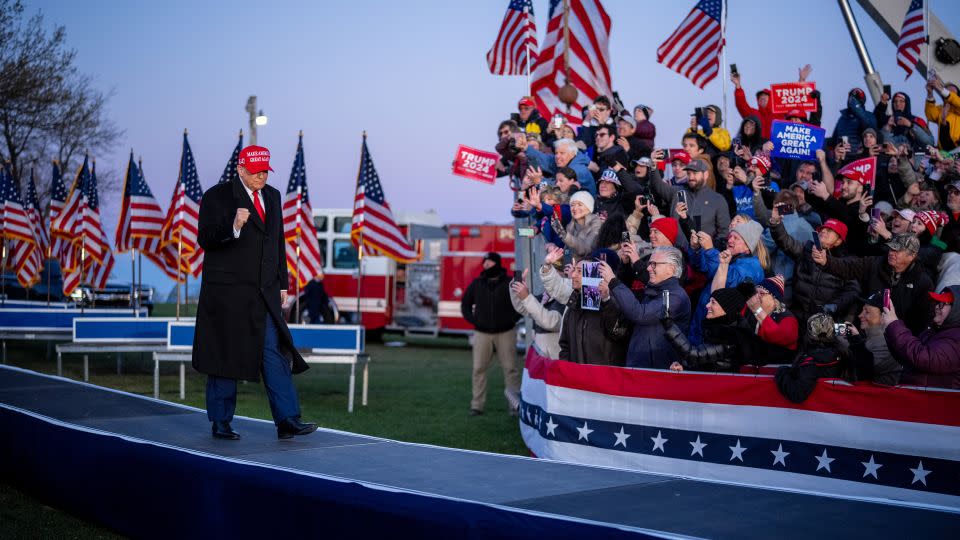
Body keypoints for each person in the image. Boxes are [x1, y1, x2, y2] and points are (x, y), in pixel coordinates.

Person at [194, 145, 316, 441]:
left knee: (274, 353)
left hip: (264, 294)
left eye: (265, 170)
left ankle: (287, 419)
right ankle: (221, 422)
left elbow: (277, 243)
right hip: (227, 295)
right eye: (255, 171)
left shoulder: (272, 197)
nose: (261, 176)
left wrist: (283, 283)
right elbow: (205, 239)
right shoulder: (216, 196)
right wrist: (233, 225)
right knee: (225, 356)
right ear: (240, 169)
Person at [816, 233, 934, 334]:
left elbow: (924, 321)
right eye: (891, 248)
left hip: (894, 340)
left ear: (912, 256)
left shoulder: (923, 283)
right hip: (860, 327)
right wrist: (826, 261)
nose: (892, 253)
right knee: (820, 329)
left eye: (898, 250)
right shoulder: (875, 264)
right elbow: (848, 267)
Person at [604, 246, 691, 369]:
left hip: (659, 372)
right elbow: (628, 305)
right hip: (641, 367)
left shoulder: (676, 296)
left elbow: (640, 314)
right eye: (650, 264)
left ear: (671, 269)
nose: (649, 268)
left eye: (654, 264)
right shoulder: (653, 290)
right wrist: (606, 296)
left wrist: (613, 281)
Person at [460, 253, 522, 416]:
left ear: (496, 263)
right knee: (478, 369)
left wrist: (512, 319)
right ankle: (477, 406)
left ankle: (514, 407)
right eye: (484, 262)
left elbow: (521, 303)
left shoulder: (509, 283)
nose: (486, 264)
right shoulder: (477, 283)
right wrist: (474, 320)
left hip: (506, 332)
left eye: (489, 261)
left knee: (511, 369)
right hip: (482, 334)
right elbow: (465, 304)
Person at [687, 220, 765, 345]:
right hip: (702, 325)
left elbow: (729, 280)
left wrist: (710, 250)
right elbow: (701, 267)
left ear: (747, 247)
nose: (730, 240)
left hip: (719, 333)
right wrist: (696, 249)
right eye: (730, 237)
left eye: (736, 238)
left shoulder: (753, 266)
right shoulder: (730, 259)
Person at [883, 286, 960, 389]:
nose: (937, 307)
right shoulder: (933, 331)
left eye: (943, 304)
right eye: (937, 303)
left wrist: (894, 325)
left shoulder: (957, 338)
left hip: (936, 402)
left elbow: (924, 358)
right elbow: (907, 357)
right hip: (918, 398)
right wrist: (889, 329)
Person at [775, 313, 848, 403]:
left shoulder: (811, 362)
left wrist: (782, 373)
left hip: (815, 410)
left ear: (809, 333)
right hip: (835, 406)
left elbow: (797, 394)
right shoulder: (842, 352)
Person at [650, 159, 730, 240]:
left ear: (706, 174)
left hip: (702, 250)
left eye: (695, 173)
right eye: (688, 173)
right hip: (676, 248)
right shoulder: (677, 191)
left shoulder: (718, 199)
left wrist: (711, 250)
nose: (691, 177)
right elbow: (658, 185)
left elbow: (724, 232)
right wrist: (653, 167)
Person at [847, 291, 902, 385]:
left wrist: (855, 341)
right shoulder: (873, 339)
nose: (860, 315)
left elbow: (862, 371)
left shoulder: (888, 343)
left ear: (883, 317)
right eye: (862, 310)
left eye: (867, 312)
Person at [509, 269, 564, 359]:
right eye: (545, 275)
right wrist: (516, 288)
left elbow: (550, 322)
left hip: (555, 359)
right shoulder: (545, 296)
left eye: (551, 275)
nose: (546, 278)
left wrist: (527, 297)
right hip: (540, 357)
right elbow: (522, 307)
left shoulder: (565, 299)